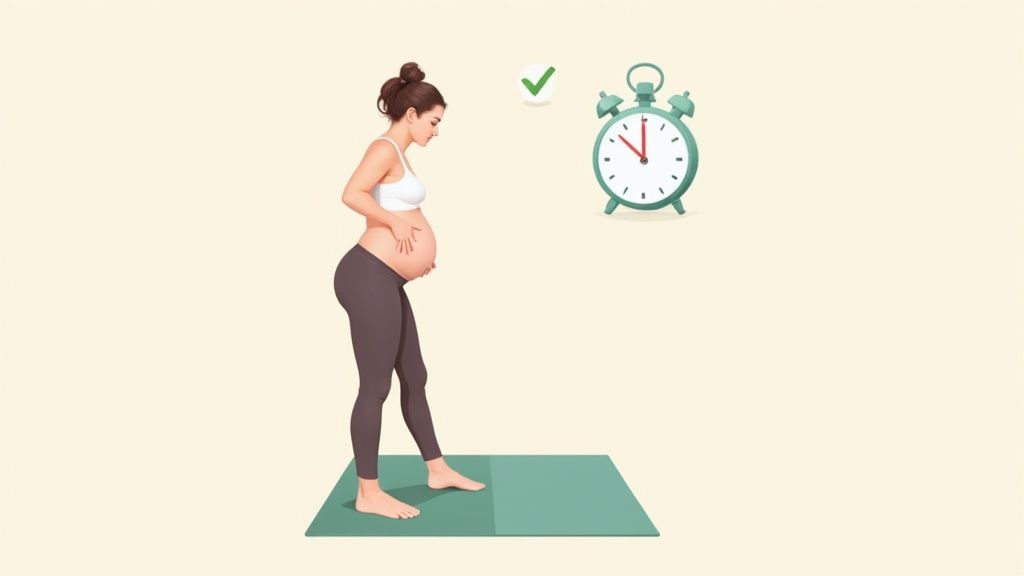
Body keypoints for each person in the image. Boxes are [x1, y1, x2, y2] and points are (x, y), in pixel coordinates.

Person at [333, 62, 485, 520]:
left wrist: (417, 252)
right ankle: (368, 493)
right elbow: (351, 193)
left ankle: (436, 469)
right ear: (412, 114)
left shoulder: (399, 154)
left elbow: (384, 201)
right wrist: (400, 224)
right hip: (367, 275)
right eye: (434, 121)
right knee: (375, 386)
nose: (437, 131)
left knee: (414, 376)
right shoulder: (383, 147)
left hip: (386, 277)